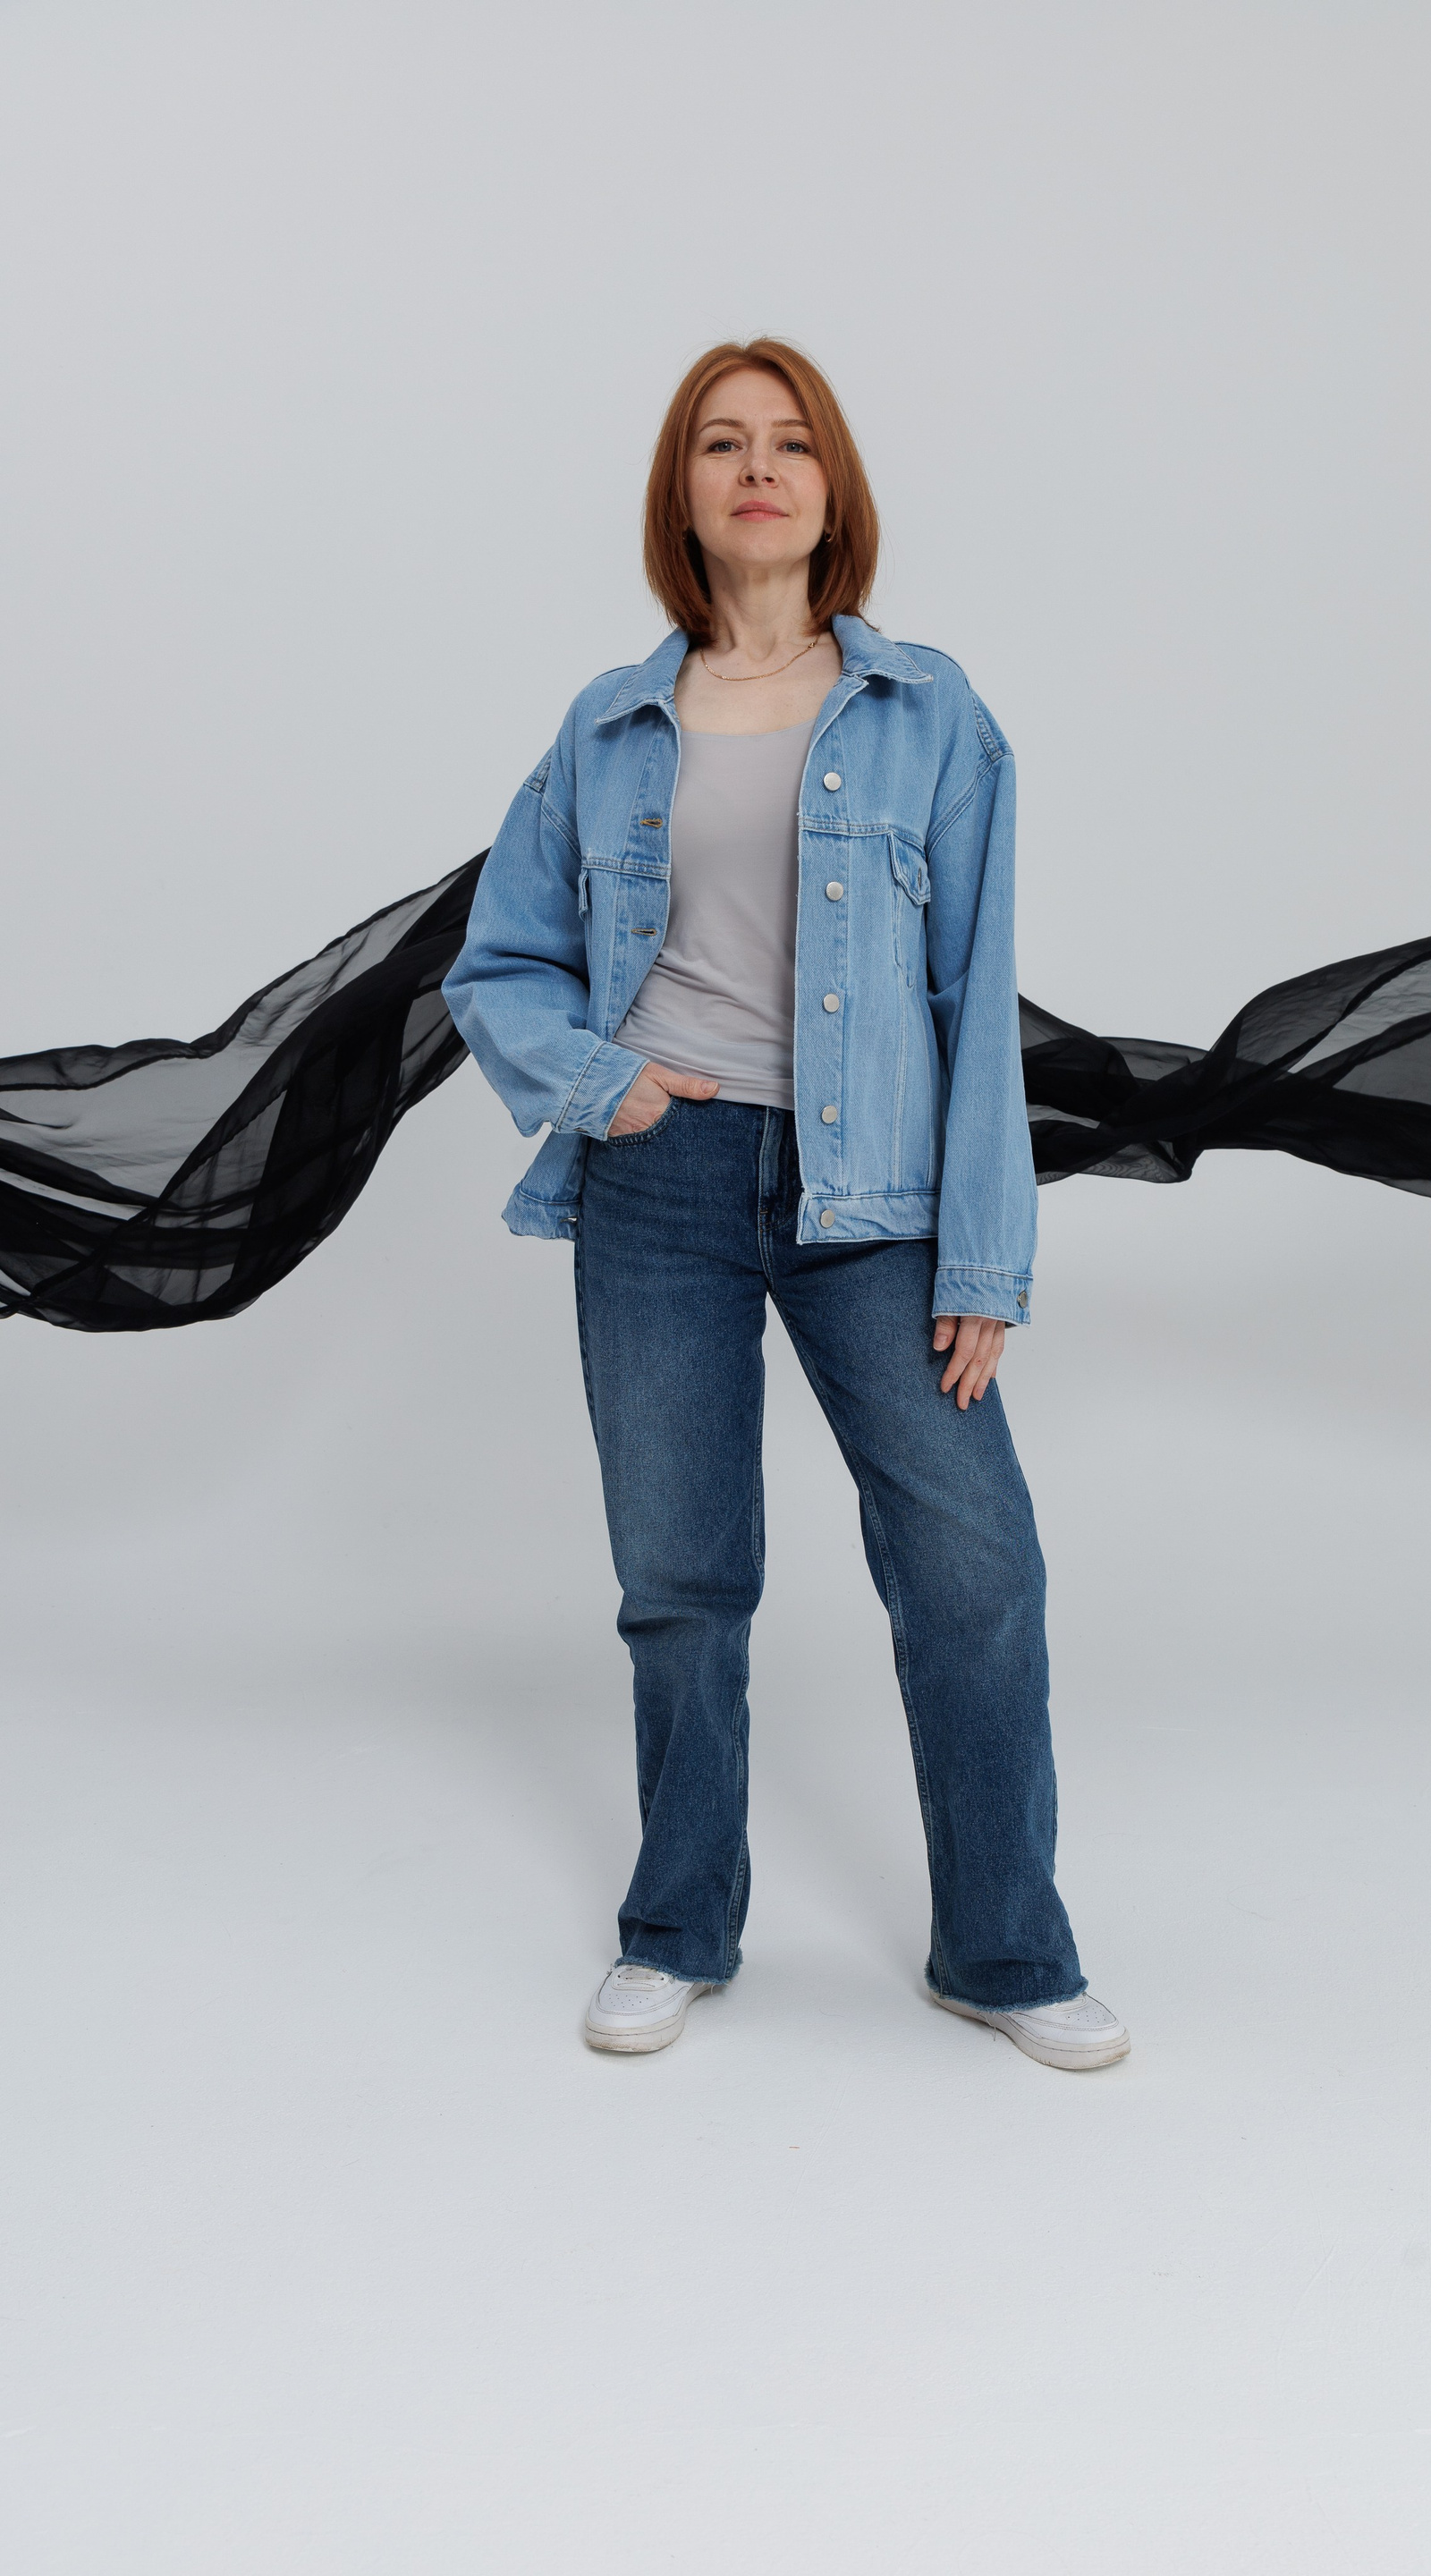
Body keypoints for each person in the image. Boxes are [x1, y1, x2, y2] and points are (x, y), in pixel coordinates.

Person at [444, 338, 1128, 2072]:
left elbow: (977, 999)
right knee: (682, 1572)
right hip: (658, 1181)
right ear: (682, 493)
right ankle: (678, 1924)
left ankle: (1004, 1949)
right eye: (723, 444)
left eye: (792, 443)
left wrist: (985, 1254)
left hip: (873, 1194)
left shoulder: (930, 715)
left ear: (834, 489)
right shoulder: (608, 726)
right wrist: (607, 1085)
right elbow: (497, 965)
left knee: (974, 1566)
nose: (759, 469)